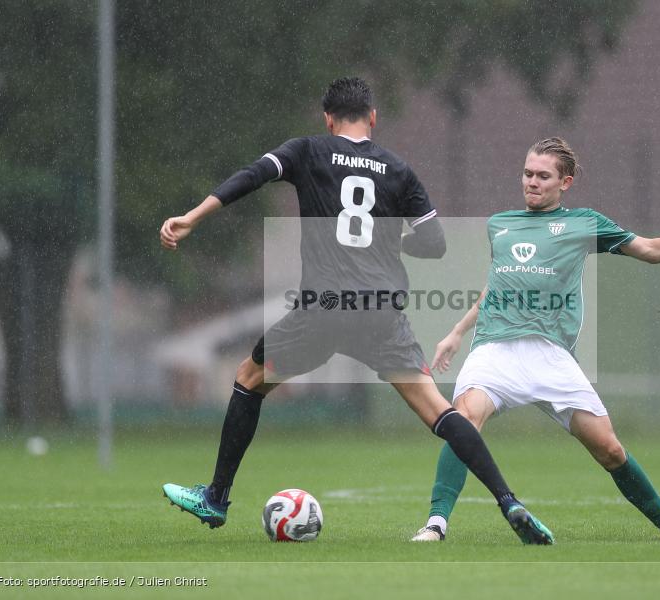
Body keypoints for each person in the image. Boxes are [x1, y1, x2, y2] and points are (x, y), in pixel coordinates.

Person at [158, 77, 552, 544]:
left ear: (327, 118)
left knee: (249, 379)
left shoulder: (308, 150)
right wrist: (392, 240)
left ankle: (216, 498)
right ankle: (510, 502)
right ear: (373, 117)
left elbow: (251, 176)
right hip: (381, 314)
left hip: (323, 310)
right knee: (441, 413)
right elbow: (434, 243)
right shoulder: (398, 170)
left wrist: (193, 217)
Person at [410, 137, 660, 543]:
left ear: (566, 182)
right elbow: (497, 287)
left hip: (551, 356)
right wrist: (458, 331)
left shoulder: (584, 223)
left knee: (610, 450)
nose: (532, 182)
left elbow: (650, 249)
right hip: (495, 349)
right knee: (463, 420)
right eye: (528, 173)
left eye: (543, 176)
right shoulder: (500, 224)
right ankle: (435, 526)